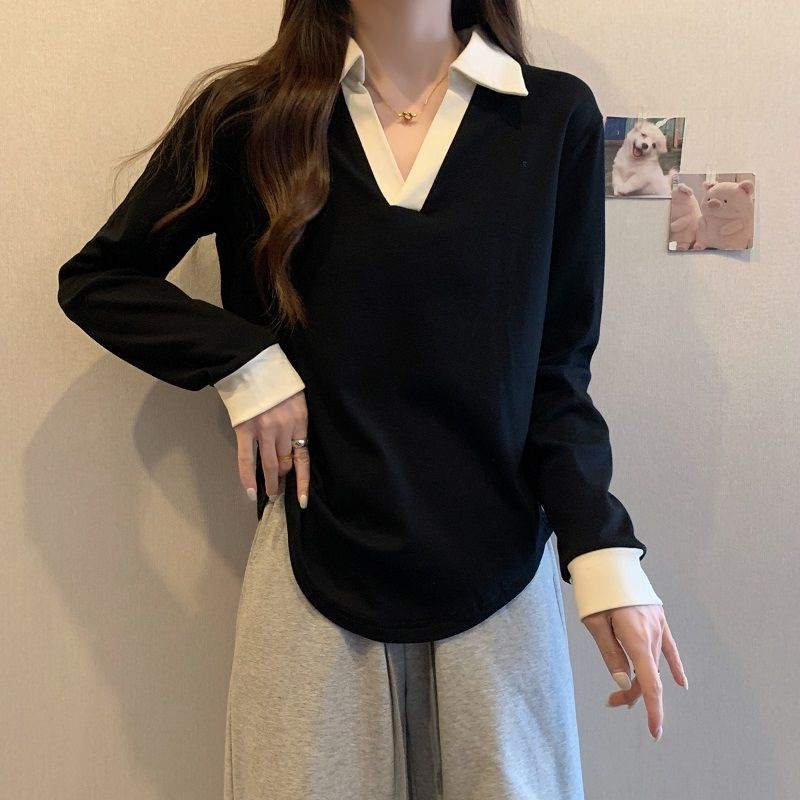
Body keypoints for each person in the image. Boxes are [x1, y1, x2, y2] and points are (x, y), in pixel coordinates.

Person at [57, 1, 687, 797]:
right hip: (313, 556)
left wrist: (601, 552)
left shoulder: (552, 118)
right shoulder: (249, 116)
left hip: (501, 569)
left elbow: (556, 374)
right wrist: (248, 364)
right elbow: (101, 279)